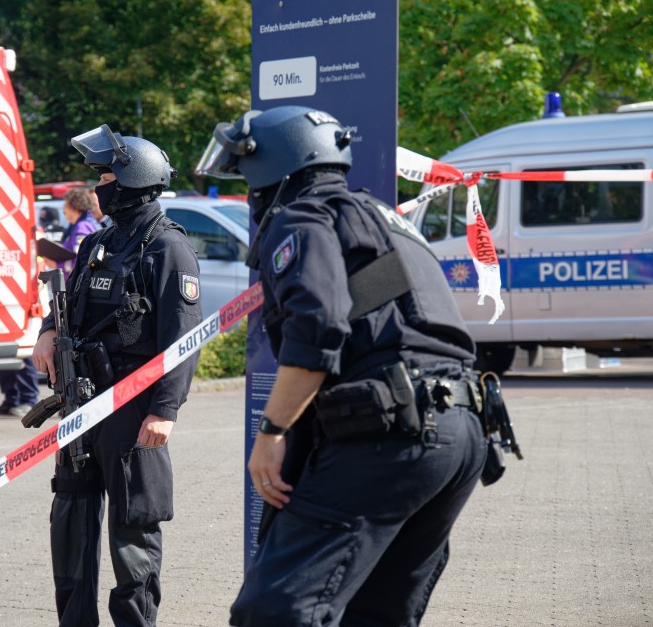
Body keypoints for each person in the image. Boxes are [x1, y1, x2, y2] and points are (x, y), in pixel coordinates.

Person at [196, 105, 487, 627]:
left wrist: (271, 434)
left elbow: (319, 329)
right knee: (375, 613)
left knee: (276, 611)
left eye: (246, 178)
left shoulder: (302, 217)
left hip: (393, 432)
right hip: (462, 430)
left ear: (271, 168)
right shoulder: (383, 219)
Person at [31, 124, 203, 627]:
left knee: (133, 538)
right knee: (70, 528)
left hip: (132, 409)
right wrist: (46, 332)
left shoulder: (167, 248)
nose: (99, 184)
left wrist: (165, 409)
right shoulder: (98, 244)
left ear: (132, 180)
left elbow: (183, 338)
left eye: (105, 174)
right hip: (82, 404)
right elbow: (73, 306)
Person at [58, 186, 101, 278]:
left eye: (65, 204)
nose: (63, 209)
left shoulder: (82, 228)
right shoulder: (88, 223)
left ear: (74, 206)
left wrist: (57, 266)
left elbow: (82, 261)